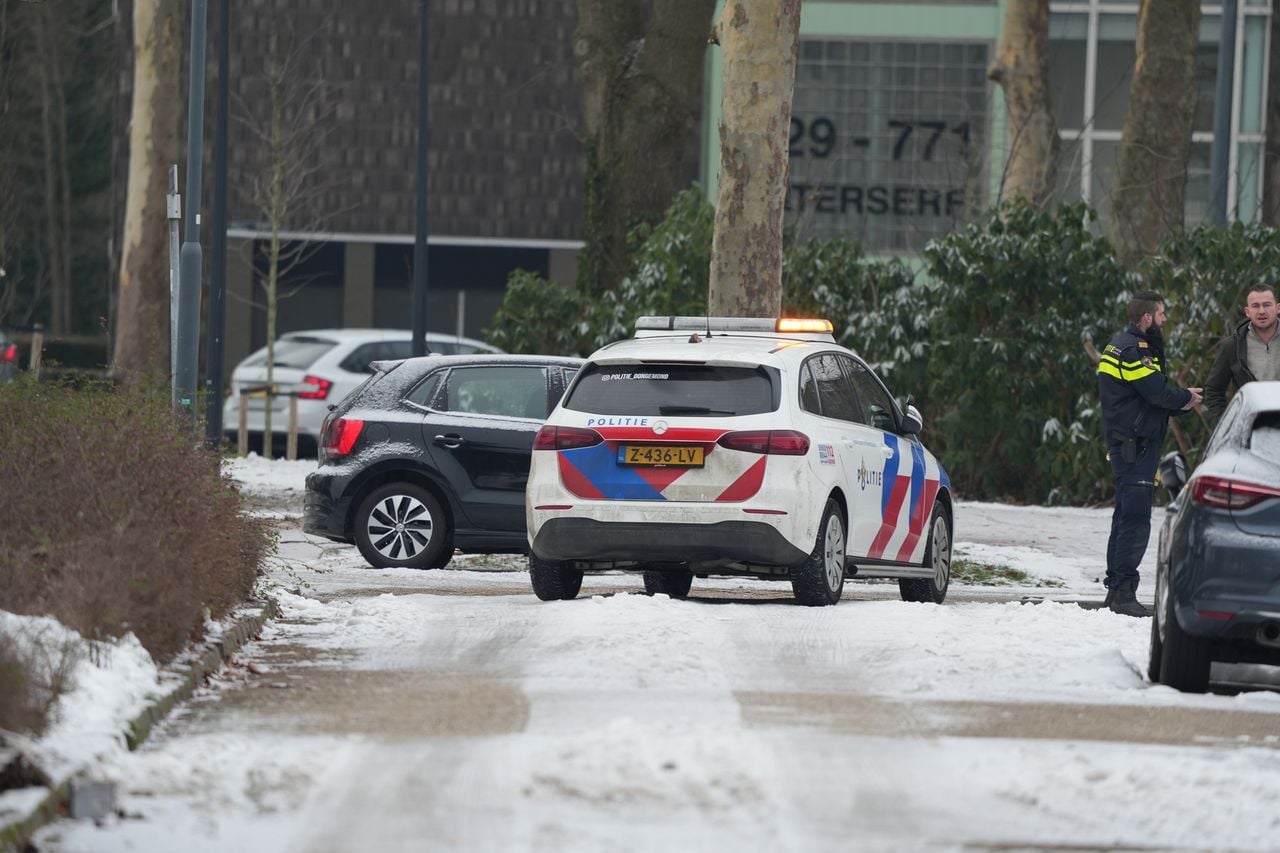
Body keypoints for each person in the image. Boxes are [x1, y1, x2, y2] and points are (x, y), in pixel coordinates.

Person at [1096, 291, 1201, 617]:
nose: (1164, 319)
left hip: (1130, 441)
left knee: (1125, 515)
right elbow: (1155, 392)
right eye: (1161, 314)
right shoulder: (1134, 350)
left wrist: (1180, 402)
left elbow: (1146, 398)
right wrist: (1186, 397)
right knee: (1136, 519)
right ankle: (1124, 592)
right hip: (1136, 444)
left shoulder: (1121, 344)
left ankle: (1116, 590)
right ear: (1147, 318)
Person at [1204, 283, 1279, 422]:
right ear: (1247, 311)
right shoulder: (1232, 346)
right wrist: (1225, 426)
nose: (1262, 311)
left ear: (1278, 308)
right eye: (1255, 306)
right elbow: (1214, 391)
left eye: (1267, 305)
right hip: (1252, 430)